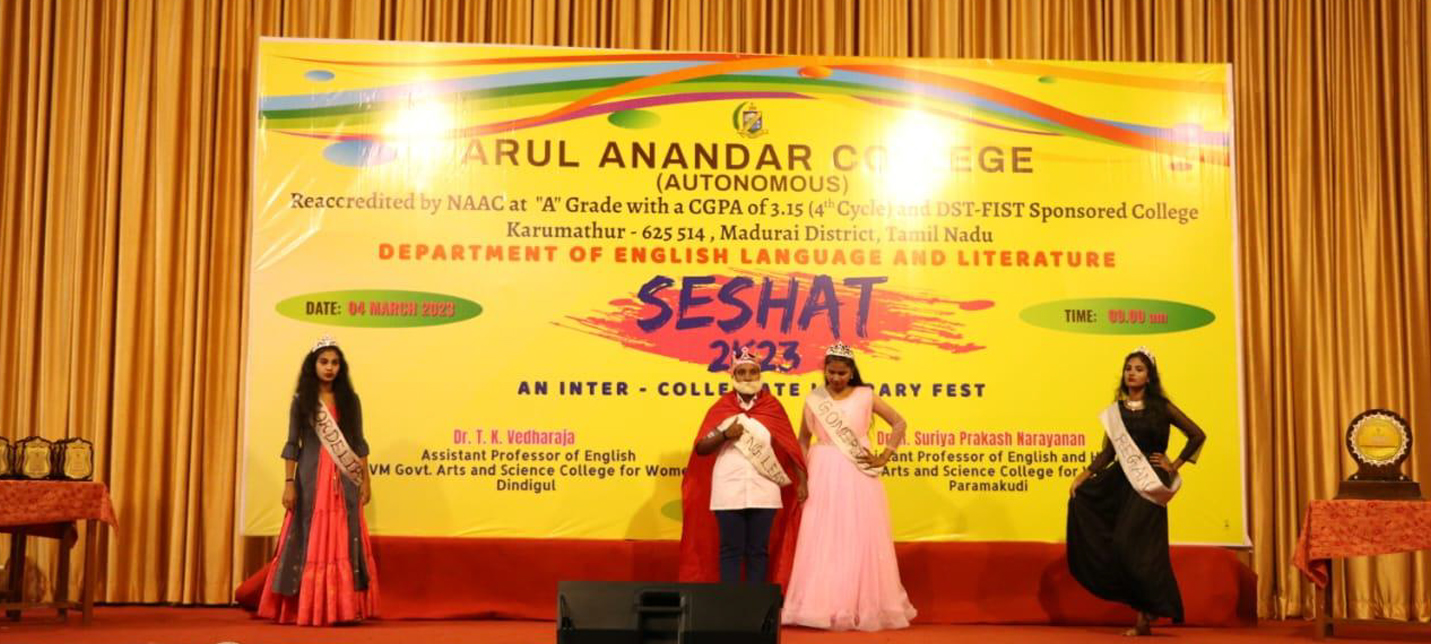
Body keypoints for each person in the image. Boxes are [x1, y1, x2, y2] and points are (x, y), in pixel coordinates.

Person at [1066, 347, 1207, 636]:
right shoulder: (1116, 411)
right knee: (1125, 547)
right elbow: (1109, 452)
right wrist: (1085, 474)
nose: (1132, 373)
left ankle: (1149, 610)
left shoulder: (1161, 407)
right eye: (1128, 368)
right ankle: (1143, 616)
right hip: (1122, 481)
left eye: (1139, 369)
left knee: (1132, 546)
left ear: (1149, 376)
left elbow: (1197, 434)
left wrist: (1174, 464)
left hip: (1149, 482)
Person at [781, 342, 917, 631]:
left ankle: (859, 606)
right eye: (831, 372)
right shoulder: (814, 399)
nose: (836, 378)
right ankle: (820, 606)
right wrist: (802, 477)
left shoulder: (865, 395)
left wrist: (885, 455)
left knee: (859, 534)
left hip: (858, 472)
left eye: (842, 373)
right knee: (822, 536)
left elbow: (899, 423)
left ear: (852, 371)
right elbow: (803, 439)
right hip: (822, 469)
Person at [257, 335, 379, 625]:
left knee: (343, 536)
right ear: (313, 365)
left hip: (344, 482)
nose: (329, 367)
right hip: (311, 481)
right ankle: (306, 607)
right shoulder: (302, 401)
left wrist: (366, 481)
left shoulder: (351, 400)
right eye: (324, 362)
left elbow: (358, 442)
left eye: (335, 363)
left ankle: (343, 608)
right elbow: (292, 444)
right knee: (308, 535)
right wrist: (289, 483)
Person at [679, 347, 807, 585]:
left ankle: (754, 605)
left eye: (753, 372)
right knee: (730, 550)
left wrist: (802, 481)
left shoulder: (772, 407)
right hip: (728, 489)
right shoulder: (722, 407)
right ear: (733, 376)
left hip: (764, 489)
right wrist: (724, 434)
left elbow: (790, 446)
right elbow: (702, 448)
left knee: (758, 551)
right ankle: (731, 603)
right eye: (742, 372)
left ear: (760, 375)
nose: (748, 377)